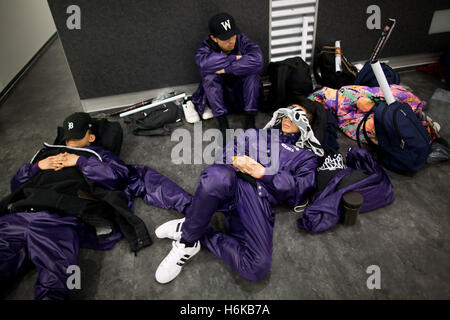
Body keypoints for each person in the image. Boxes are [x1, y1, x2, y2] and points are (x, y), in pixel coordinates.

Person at [0, 112, 192, 300]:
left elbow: (118, 176)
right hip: (21, 215)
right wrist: (38, 166)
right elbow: (17, 185)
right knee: (55, 281)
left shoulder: (96, 155)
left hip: (56, 219)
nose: (70, 144)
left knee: (57, 284)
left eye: (75, 139)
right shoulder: (45, 154)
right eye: (68, 140)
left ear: (92, 137)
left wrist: (80, 161)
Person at [154, 103, 323, 283]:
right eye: (287, 114)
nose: (288, 119)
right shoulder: (254, 134)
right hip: (231, 183)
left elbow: (298, 191)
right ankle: (187, 242)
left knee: (256, 267)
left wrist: (265, 174)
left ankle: (194, 229)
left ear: (308, 125)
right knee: (215, 177)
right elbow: (224, 155)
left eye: (297, 117)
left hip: (258, 198)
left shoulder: (306, 157)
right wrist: (236, 160)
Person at [186, 12, 264, 140]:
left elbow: (258, 60)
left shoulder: (241, 40)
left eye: (232, 36)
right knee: (209, 76)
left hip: (243, 97)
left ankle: (250, 121)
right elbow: (204, 63)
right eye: (225, 39)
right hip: (221, 100)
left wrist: (226, 68)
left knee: (252, 73)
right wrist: (236, 58)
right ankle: (223, 125)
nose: (231, 41)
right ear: (214, 38)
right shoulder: (206, 46)